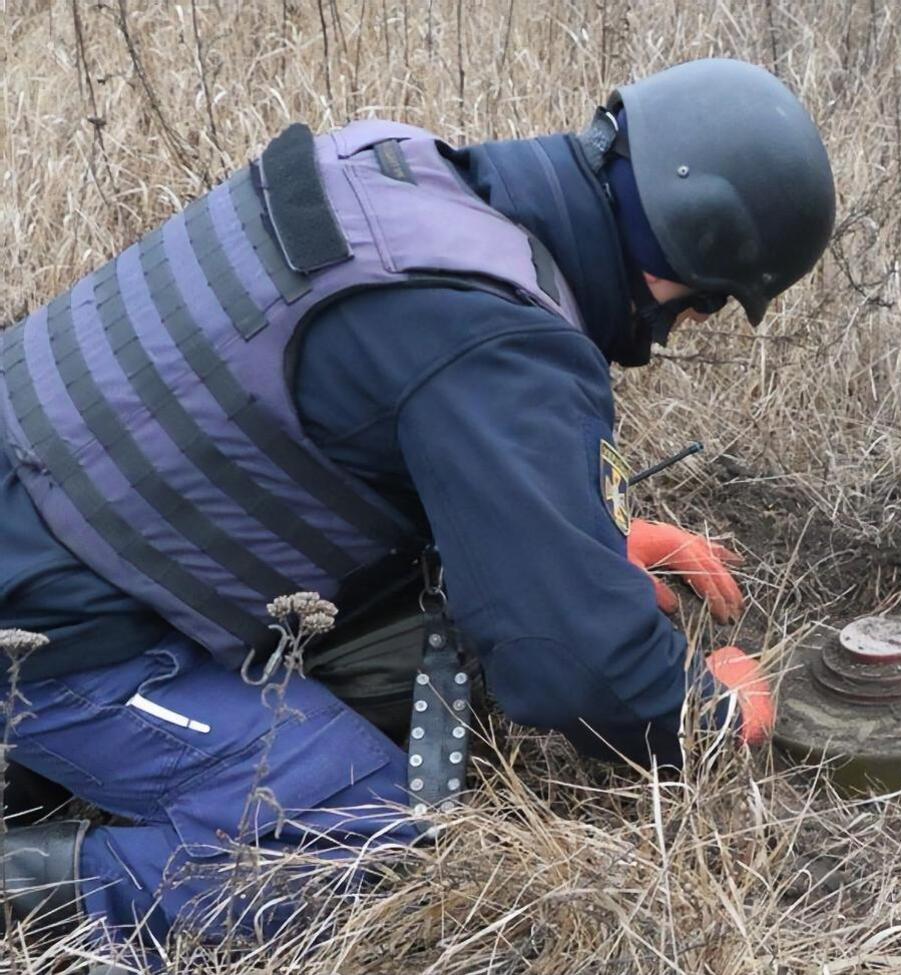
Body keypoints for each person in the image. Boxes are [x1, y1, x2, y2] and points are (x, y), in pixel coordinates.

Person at [0, 57, 835, 954]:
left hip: (42, 500)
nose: (677, 334)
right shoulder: (500, 345)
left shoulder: (397, 167)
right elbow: (578, 669)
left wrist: (588, 535)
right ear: (690, 263)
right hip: (44, 621)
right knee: (353, 845)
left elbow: (317, 425)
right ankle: (45, 897)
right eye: (703, 310)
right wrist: (694, 715)